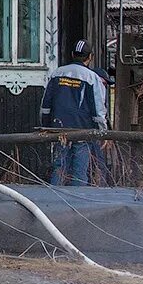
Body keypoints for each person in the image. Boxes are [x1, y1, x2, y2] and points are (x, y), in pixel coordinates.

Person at [40, 39, 108, 186]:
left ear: (72, 54)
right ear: (90, 57)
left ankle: (53, 200)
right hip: (82, 130)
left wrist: (46, 125)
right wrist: (103, 131)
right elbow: (98, 109)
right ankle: (77, 203)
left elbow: (46, 104)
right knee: (79, 171)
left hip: (58, 128)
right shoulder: (92, 78)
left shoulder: (57, 73)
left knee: (59, 167)